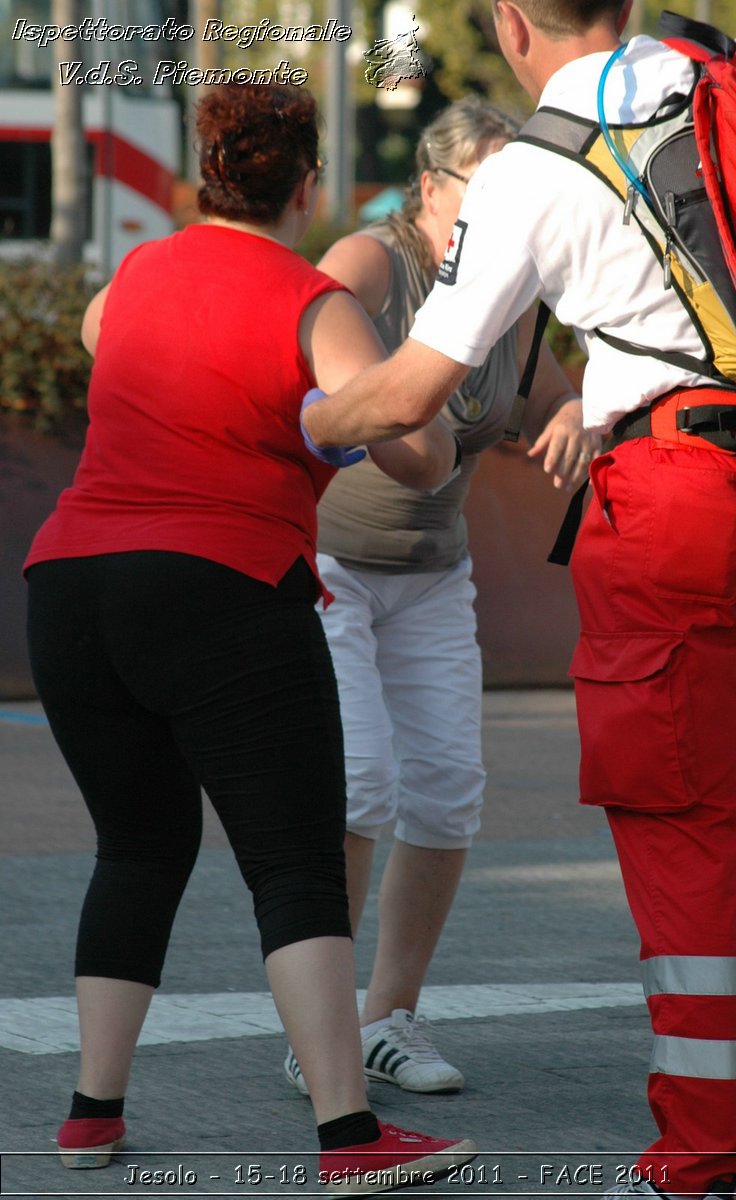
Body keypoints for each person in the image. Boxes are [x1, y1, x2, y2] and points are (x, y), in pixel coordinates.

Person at [300, 6, 736, 1198]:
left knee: (681, 825)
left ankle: (702, 1154)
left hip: (673, 499)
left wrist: (306, 420)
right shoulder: (728, 88)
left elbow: (420, 381)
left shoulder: (533, 164)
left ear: (514, 23)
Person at [24, 82, 477, 1193]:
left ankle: (92, 1112)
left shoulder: (138, 273)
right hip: (221, 588)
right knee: (292, 862)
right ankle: (349, 1139)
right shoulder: (315, 298)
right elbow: (402, 441)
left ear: (206, 176)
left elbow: (98, 338)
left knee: (136, 847)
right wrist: (381, 438)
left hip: (71, 586)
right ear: (309, 185)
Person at [283, 96, 599, 1099]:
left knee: (449, 791)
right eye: (488, 186)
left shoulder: (511, 293)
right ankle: (319, 1033)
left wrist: (587, 408)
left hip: (432, 574)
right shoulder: (375, 262)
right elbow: (287, 343)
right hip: (328, 562)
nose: (513, 209)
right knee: (362, 784)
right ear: (431, 189)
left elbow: (561, 396)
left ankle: (389, 1017)